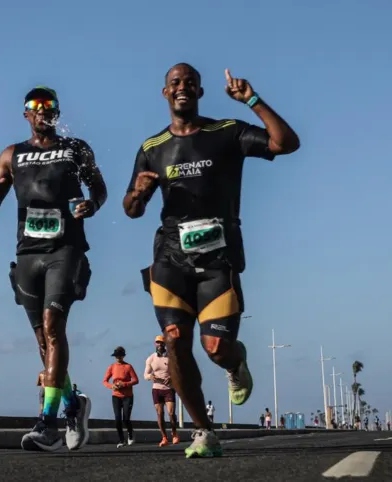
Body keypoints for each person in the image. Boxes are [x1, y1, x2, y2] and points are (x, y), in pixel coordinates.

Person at [123, 63, 300, 458]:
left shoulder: (227, 132)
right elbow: (131, 209)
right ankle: (203, 431)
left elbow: (286, 143)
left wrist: (252, 100)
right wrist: (138, 192)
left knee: (217, 346)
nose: (182, 87)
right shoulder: (152, 148)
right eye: (175, 83)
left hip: (218, 256)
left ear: (200, 92)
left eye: (190, 83)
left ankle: (236, 364)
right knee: (175, 340)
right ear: (165, 93)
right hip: (170, 256)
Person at [0, 86, 107, 452]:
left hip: (64, 249)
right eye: (35, 107)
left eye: (49, 106)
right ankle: (73, 405)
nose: (42, 111)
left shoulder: (75, 148)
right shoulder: (11, 155)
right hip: (27, 252)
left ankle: (47, 423)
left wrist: (91, 205)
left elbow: (99, 188)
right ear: (25, 114)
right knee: (43, 341)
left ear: (57, 111)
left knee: (54, 326)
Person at [145, 335, 179, 446]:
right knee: (160, 414)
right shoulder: (151, 358)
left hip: (169, 388)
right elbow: (145, 375)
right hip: (156, 389)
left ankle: (174, 434)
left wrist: (171, 377)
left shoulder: (171, 357)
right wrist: (151, 377)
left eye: (161, 343)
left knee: (171, 413)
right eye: (158, 343)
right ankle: (164, 437)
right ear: (155, 344)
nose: (159, 345)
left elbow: (177, 372)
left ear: (165, 344)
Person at [103, 346, 139, 448]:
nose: (118, 357)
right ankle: (121, 440)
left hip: (128, 396)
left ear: (123, 356)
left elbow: (136, 380)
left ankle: (130, 434)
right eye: (116, 356)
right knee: (117, 419)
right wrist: (112, 386)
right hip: (116, 396)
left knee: (126, 418)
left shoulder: (128, 367)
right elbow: (104, 381)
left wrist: (125, 384)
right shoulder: (112, 367)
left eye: (120, 355)